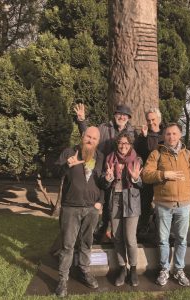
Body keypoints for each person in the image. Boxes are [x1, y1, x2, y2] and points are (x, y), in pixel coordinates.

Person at [142, 123, 190, 287]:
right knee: (163, 240)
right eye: (168, 134)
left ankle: (179, 269)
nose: (171, 137)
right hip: (164, 205)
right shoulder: (156, 154)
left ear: (180, 135)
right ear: (163, 136)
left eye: (174, 134)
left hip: (184, 205)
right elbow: (146, 175)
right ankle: (164, 269)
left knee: (182, 240)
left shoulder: (188, 155)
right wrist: (164, 174)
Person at [74, 103, 137, 239]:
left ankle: (119, 231)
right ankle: (99, 229)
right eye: (119, 114)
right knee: (103, 201)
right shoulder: (103, 128)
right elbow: (90, 136)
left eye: (125, 115)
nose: (122, 117)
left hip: (125, 174)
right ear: (114, 115)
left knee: (120, 205)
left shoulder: (133, 132)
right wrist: (82, 121)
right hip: (104, 170)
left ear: (128, 118)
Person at [55, 127, 104, 297]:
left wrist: (100, 201)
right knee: (68, 245)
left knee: (86, 243)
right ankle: (62, 279)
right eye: (88, 136)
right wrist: (67, 165)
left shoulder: (100, 157)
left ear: (98, 142)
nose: (90, 140)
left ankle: (84, 271)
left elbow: (103, 182)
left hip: (91, 209)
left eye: (94, 138)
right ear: (83, 136)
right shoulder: (70, 151)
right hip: (71, 207)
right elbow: (56, 172)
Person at [102, 132, 142, 287]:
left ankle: (133, 269)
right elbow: (106, 185)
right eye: (121, 143)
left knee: (130, 238)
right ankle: (122, 268)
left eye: (126, 143)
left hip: (131, 199)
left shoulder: (137, 159)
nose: (123, 146)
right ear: (117, 144)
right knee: (117, 237)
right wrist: (109, 178)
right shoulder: (110, 159)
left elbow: (141, 186)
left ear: (130, 144)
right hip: (115, 199)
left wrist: (136, 178)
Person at [136, 108, 163, 232]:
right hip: (148, 174)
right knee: (145, 202)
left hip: (162, 175)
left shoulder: (166, 134)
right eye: (148, 120)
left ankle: (159, 227)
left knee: (162, 203)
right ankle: (143, 227)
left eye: (153, 119)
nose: (151, 122)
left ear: (159, 119)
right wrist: (143, 137)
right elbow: (139, 152)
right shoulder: (143, 135)